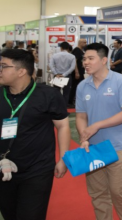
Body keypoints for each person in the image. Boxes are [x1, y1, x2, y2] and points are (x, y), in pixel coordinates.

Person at [0, 49, 70, 220]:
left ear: (21, 71)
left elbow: (62, 126)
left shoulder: (48, 95)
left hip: (37, 170)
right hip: (3, 168)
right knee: (9, 214)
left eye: (3, 66)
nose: (0, 70)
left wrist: (64, 158)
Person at [76, 42, 122, 220]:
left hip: (118, 147)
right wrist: (84, 135)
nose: (85, 62)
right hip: (93, 148)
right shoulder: (82, 86)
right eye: (84, 59)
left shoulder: (121, 81)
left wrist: (97, 125)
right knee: (98, 195)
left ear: (104, 60)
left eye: (90, 58)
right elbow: (81, 116)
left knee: (120, 193)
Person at [70, 38, 87, 107]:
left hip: (81, 72)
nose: (86, 44)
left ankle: (75, 100)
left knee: (80, 86)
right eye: (84, 42)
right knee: (75, 87)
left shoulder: (81, 51)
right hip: (77, 73)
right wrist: (76, 72)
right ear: (80, 43)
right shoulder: (76, 50)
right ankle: (70, 101)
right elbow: (74, 61)